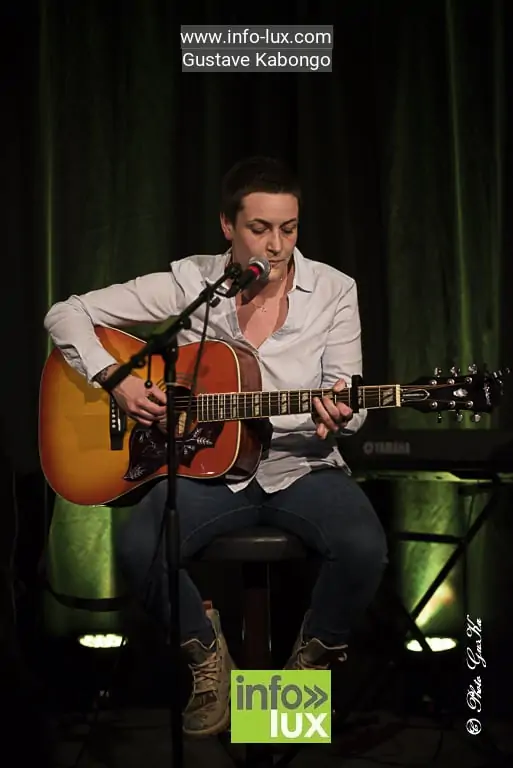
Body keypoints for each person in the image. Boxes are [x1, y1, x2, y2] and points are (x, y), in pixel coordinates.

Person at [43, 156, 388, 739]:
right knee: (139, 545)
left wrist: (342, 412)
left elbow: (345, 396)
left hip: (302, 467)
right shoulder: (192, 283)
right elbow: (66, 313)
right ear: (228, 226)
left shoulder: (334, 290)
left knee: (363, 547)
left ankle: (299, 681)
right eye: (260, 228)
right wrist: (117, 380)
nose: (276, 245)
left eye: (289, 229)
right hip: (207, 470)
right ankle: (206, 653)